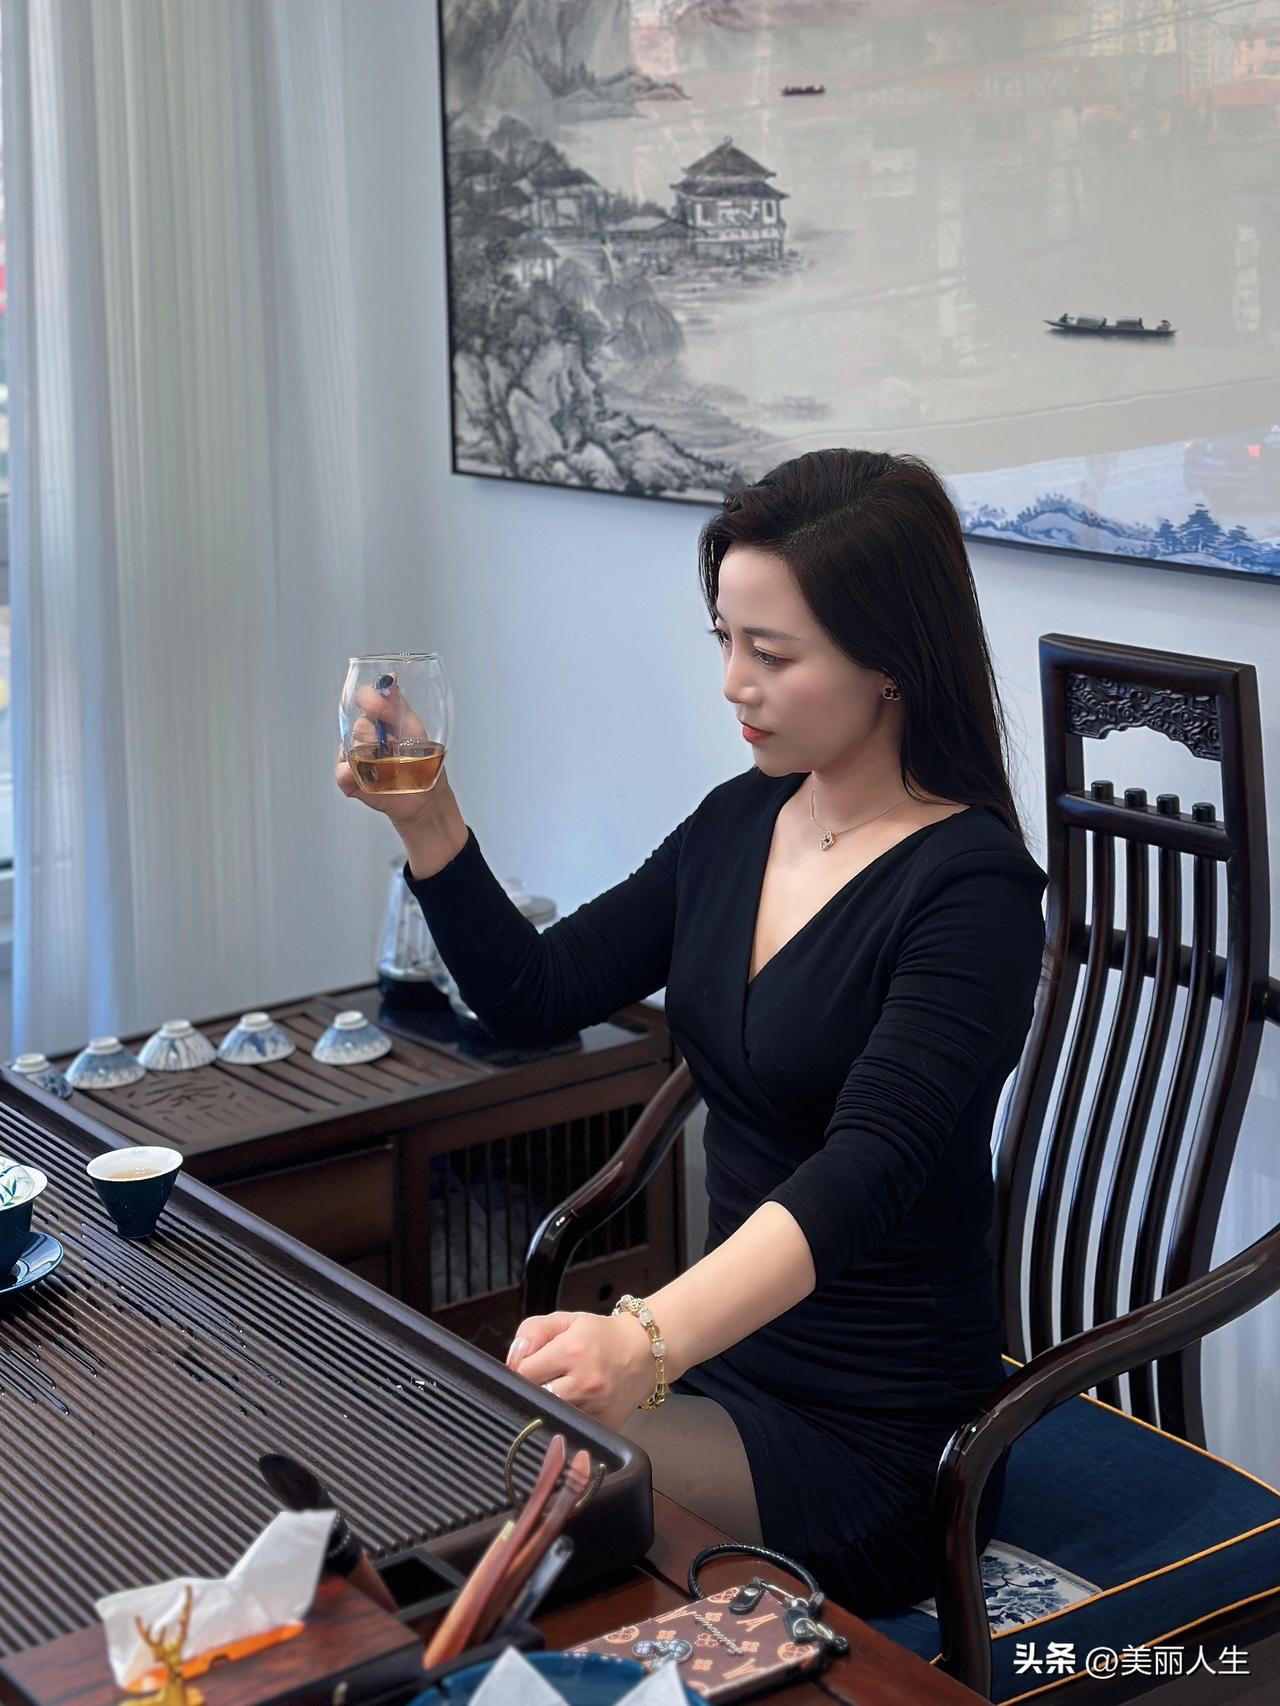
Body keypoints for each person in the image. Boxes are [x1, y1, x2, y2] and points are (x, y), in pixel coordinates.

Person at [334, 448, 1047, 1615]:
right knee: (416, 1439)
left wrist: (644, 1340)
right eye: (723, 639)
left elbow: (860, 1175)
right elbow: (532, 992)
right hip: (717, 1368)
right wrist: (428, 819)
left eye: (771, 652)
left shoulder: (972, 894)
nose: (731, 683)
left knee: (481, 1494)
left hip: (878, 1438)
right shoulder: (739, 821)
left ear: (889, 663)